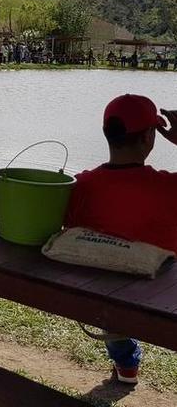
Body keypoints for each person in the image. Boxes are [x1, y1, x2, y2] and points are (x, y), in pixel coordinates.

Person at [65, 94, 177, 384]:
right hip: (160, 296)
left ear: (107, 134)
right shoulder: (168, 187)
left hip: (105, 298)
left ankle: (126, 363)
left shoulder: (81, 185)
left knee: (106, 277)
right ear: (148, 138)